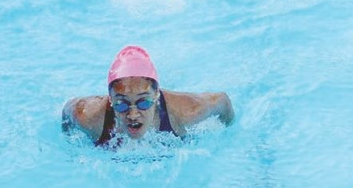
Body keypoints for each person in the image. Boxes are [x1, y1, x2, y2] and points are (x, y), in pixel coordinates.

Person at [62, 45, 235, 147]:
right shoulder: (88, 117)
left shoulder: (186, 112)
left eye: (143, 103)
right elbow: (67, 111)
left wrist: (226, 138)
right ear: (110, 99)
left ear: (157, 95)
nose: (133, 115)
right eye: (121, 104)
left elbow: (223, 101)